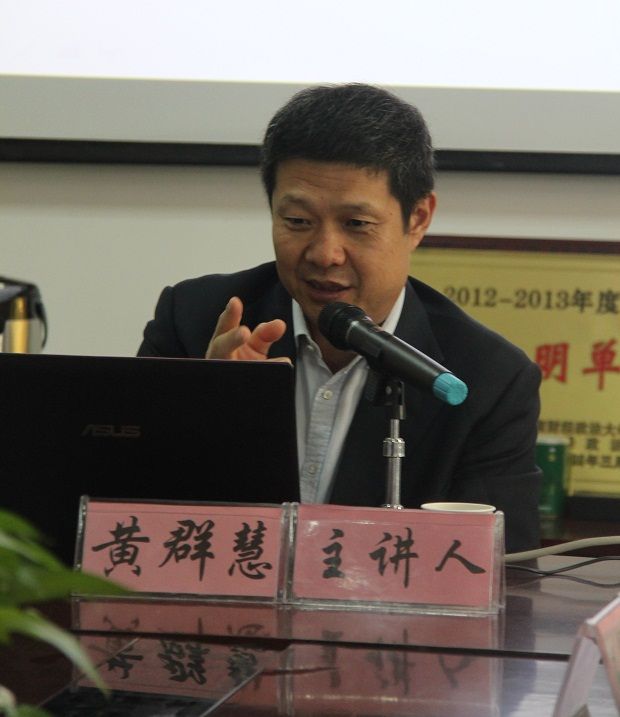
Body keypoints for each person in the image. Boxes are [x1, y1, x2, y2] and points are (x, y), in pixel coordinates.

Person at [138, 83, 542, 553]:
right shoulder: (193, 321)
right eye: (297, 221)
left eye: (356, 225)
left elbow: (505, 570)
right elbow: (124, 519)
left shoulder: (488, 378)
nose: (325, 253)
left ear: (418, 218)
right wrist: (209, 407)